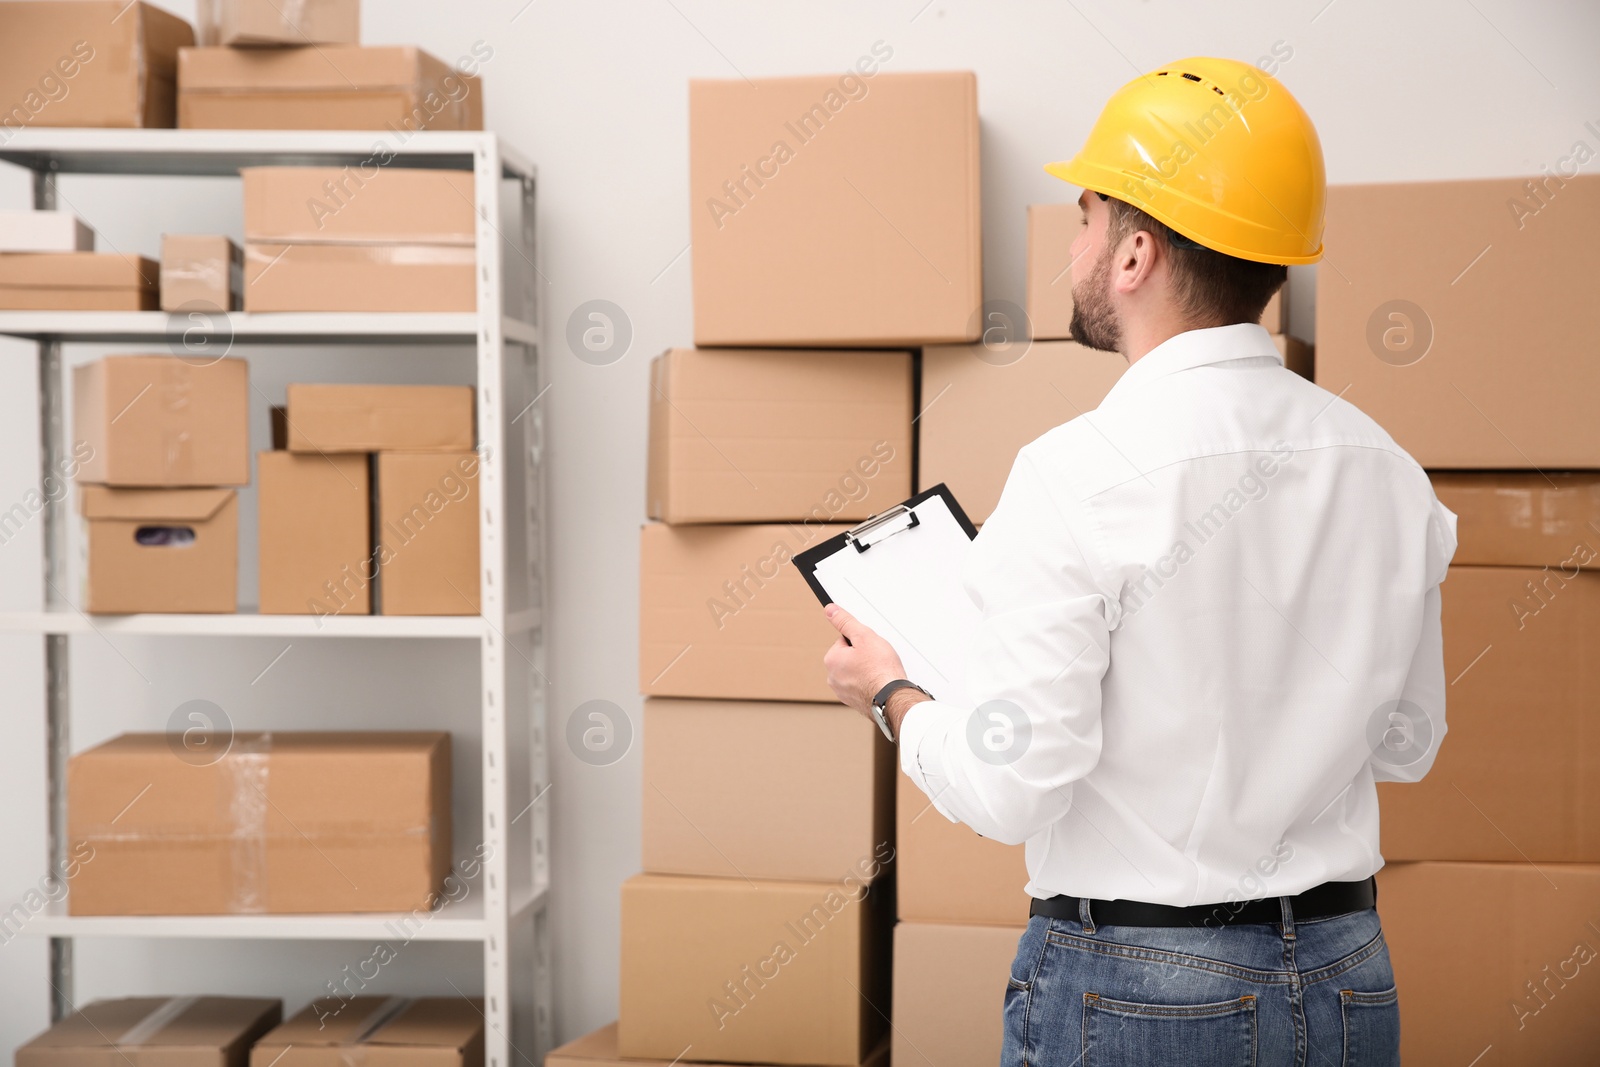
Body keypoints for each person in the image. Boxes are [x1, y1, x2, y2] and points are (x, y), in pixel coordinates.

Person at [821, 56, 1455, 1065]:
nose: (1072, 245)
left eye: (1083, 218)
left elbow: (1014, 786)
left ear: (1133, 254)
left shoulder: (1078, 472)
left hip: (1143, 993)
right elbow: (1410, 739)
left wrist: (891, 690)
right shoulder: (1387, 469)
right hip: (1345, 973)